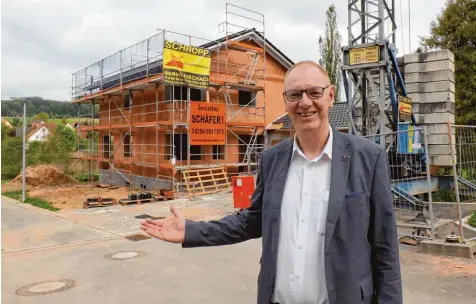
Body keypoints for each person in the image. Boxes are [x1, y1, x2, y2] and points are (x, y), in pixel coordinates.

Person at [140, 60, 402, 304]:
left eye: (314, 92)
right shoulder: (272, 160)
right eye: (295, 94)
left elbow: (386, 252)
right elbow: (251, 220)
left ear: (331, 96)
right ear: (285, 101)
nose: (305, 102)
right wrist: (192, 230)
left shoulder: (368, 159)